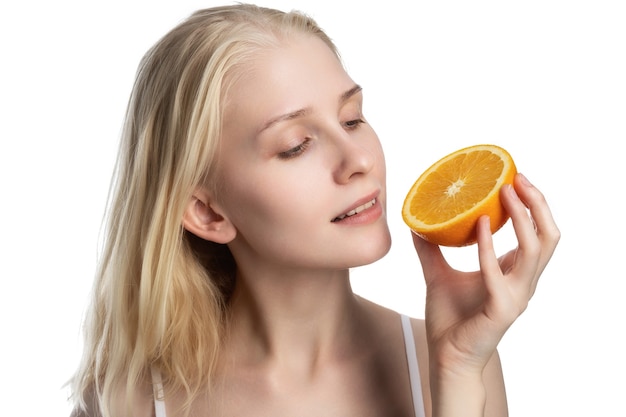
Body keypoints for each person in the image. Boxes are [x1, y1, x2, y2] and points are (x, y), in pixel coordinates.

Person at [69, 4, 560, 417]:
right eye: (296, 146)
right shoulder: (125, 399)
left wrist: (456, 372)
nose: (360, 160)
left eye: (352, 118)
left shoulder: (452, 363)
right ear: (206, 212)